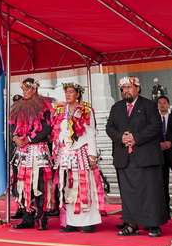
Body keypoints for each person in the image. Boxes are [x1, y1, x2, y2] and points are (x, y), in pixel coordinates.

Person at [105, 75, 166, 238]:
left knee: (150, 192)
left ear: (137, 88)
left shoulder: (149, 105)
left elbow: (156, 126)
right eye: (123, 88)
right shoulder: (116, 107)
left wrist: (136, 138)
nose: (126, 91)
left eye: (129, 87)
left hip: (145, 156)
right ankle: (131, 224)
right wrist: (121, 138)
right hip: (124, 157)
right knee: (128, 193)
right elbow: (109, 127)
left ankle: (153, 224)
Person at [51, 82, 104, 233]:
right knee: (68, 186)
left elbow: (91, 133)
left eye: (71, 92)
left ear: (78, 94)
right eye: (66, 92)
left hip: (81, 152)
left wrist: (92, 155)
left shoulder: (85, 110)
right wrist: (59, 147)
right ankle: (71, 222)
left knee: (84, 186)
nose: (68, 95)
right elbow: (58, 131)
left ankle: (88, 221)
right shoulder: (61, 110)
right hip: (66, 154)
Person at [10, 77, 57, 230]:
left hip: (38, 149)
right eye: (23, 89)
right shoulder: (17, 106)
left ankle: (41, 218)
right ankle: (26, 217)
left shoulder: (44, 105)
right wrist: (15, 138)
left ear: (35, 89)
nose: (24, 92)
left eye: (27, 88)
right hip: (22, 152)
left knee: (39, 184)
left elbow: (47, 128)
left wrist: (29, 138)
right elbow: (12, 126)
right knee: (22, 184)